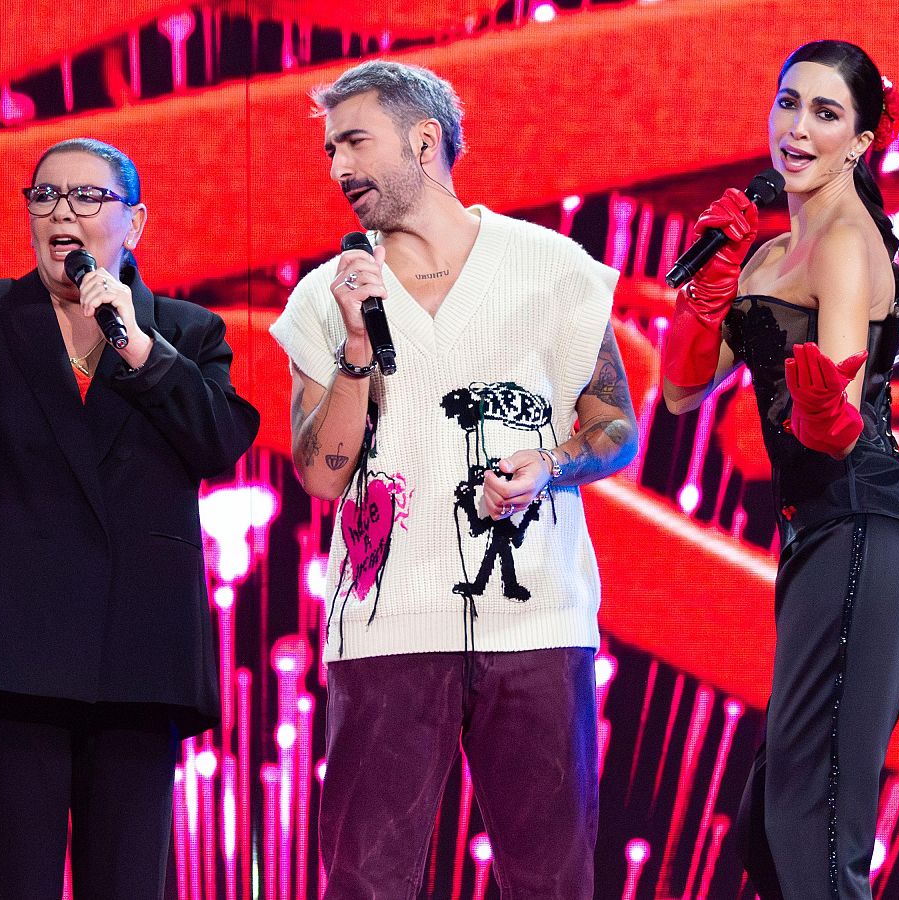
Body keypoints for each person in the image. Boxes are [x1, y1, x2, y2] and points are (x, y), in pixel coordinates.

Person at [270, 60, 639, 898]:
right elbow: (321, 475)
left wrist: (551, 464)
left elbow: (615, 426)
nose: (339, 168)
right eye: (330, 151)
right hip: (386, 626)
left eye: (355, 142)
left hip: (538, 621)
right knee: (366, 881)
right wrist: (355, 350)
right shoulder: (326, 296)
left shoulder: (550, 267)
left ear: (423, 140)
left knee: (551, 881)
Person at [0, 137, 259, 899]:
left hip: (136, 659)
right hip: (1, 654)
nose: (63, 213)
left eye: (88, 197)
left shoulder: (185, 332)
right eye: (46, 196)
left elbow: (219, 440)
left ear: (134, 222)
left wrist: (139, 347)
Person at [659, 39, 899, 900]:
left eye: (825, 113)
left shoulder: (841, 241)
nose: (796, 128)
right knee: (775, 828)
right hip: (826, 537)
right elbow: (680, 392)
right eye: (788, 103)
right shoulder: (768, 256)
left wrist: (822, 409)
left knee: (813, 832)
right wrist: (709, 287)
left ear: (861, 141)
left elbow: (836, 422)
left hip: (864, 525)